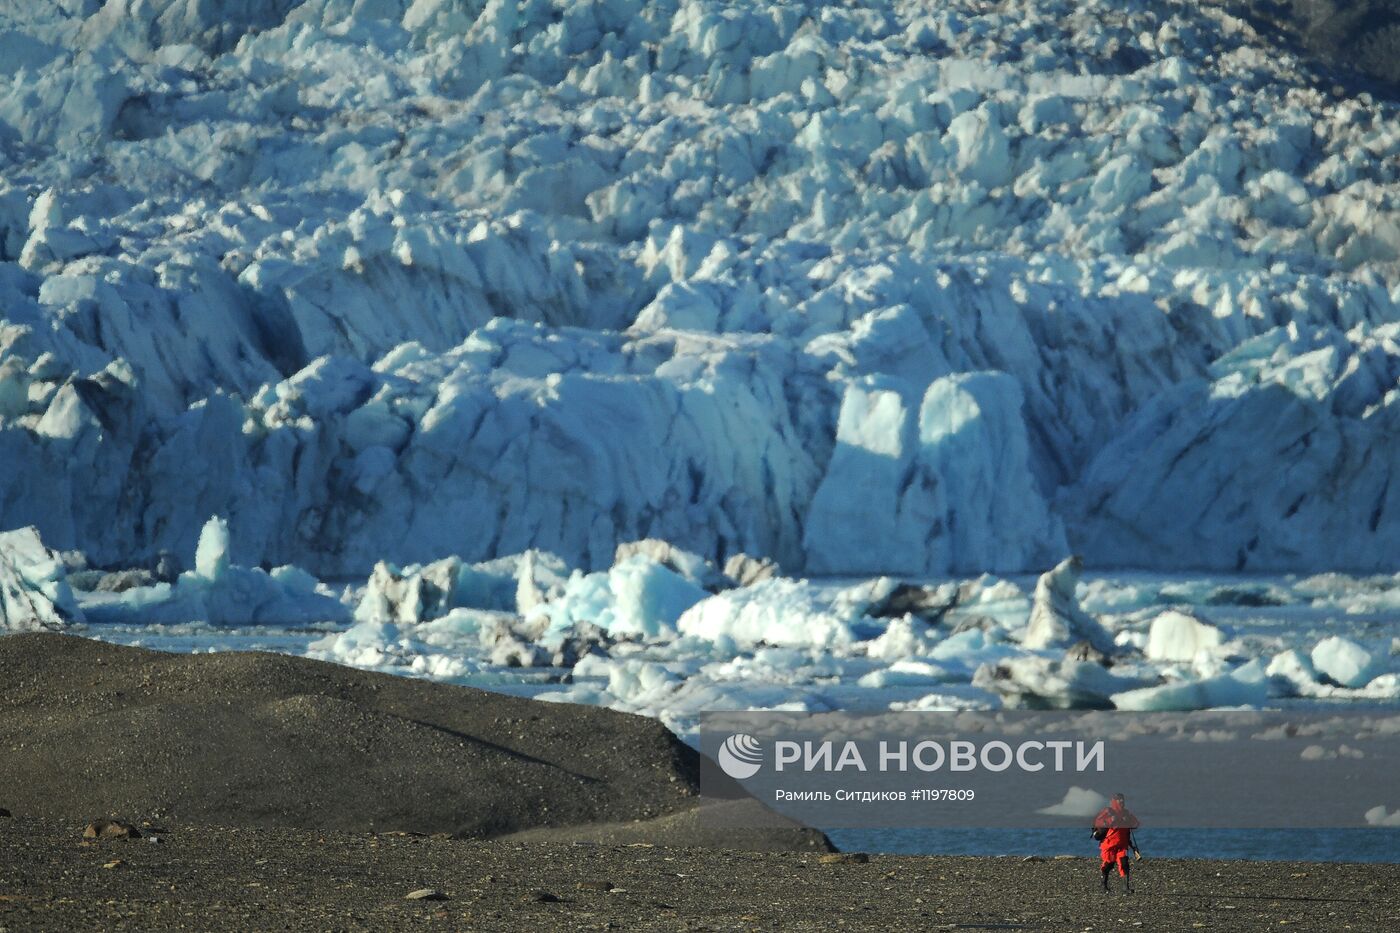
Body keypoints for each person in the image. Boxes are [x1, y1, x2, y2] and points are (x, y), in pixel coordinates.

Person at [1092, 792, 1140, 893]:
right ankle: (1103, 885)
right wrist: (1110, 820)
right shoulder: (1108, 811)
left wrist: (1129, 820)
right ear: (1114, 801)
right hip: (1109, 845)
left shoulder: (1126, 813)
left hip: (1122, 844)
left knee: (1124, 864)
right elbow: (1097, 822)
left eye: (1122, 799)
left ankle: (1125, 888)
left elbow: (1136, 823)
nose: (1121, 801)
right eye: (1119, 799)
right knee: (1108, 864)